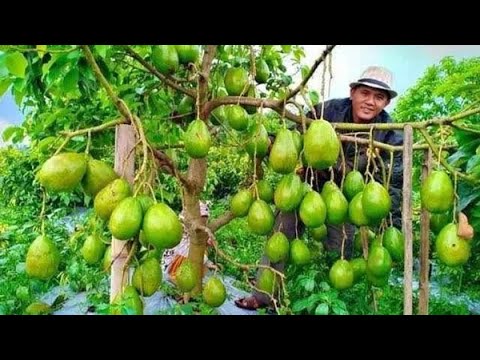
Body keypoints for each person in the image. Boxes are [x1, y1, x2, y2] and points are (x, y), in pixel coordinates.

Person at [235, 65, 405, 310]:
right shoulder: (327, 111)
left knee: (338, 252)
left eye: (379, 97)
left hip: (346, 199)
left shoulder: (390, 135)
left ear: (386, 103)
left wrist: (392, 227)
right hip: (306, 187)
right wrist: (272, 142)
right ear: (353, 92)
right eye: (365, 93)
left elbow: (395, 182)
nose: (370, 101)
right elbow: (293, 136)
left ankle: (324, 302)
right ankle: (263, 296)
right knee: (281, 235)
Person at [162, 201, 217, 284]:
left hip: (190, 262)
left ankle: (194, 282)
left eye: (204, 222)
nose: (201, 225)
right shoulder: (179, 235)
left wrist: (208, 262)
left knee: (202, 253)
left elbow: (204, 249)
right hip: (175, 262)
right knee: (197, 257)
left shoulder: (201, 235)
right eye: (200, 221)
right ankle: (177, 281)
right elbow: (185, 253)